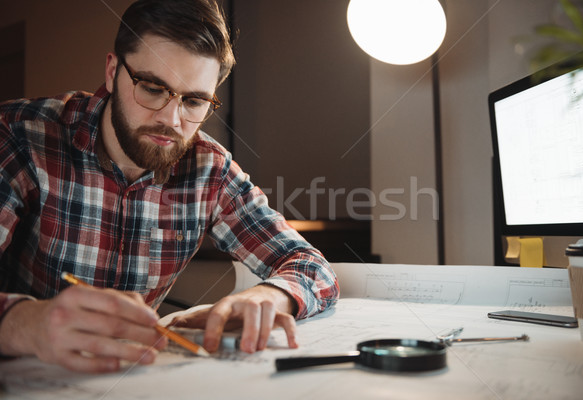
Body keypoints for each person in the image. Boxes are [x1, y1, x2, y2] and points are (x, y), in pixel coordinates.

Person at [0, 0, 339, 373]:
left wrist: (269, 297)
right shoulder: (19, 137)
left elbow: (311, 267)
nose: (171, 119)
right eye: (152, 88)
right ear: (112, 71)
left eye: (193, 101)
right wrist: (27, 323)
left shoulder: (209, 169)